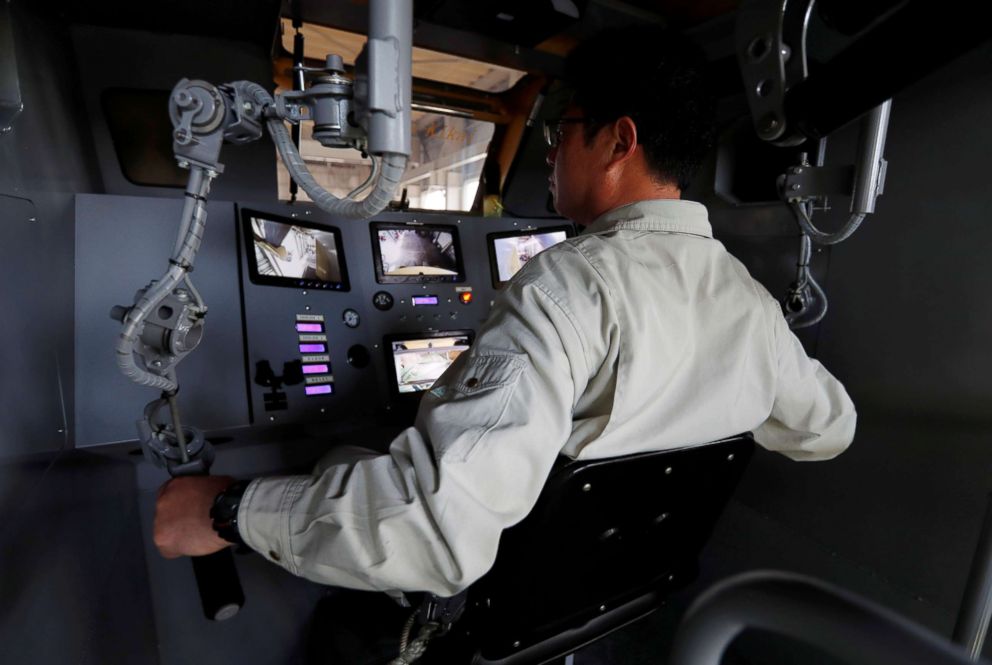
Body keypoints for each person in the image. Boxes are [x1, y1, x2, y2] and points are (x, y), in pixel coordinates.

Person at [155, 21, 855, 638]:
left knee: (342, 464)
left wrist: (231, 510)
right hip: (610, 598)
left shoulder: (569, 286)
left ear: (620, 140)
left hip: (492, 612)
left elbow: (433, 531)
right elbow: (830, 428)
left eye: (563, 131)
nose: (550, 153)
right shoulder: (749, 302)